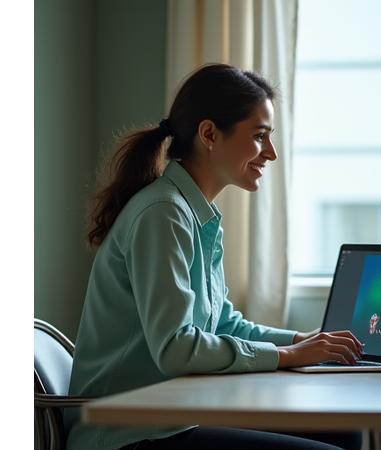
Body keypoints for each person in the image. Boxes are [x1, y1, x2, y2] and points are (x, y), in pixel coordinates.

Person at [68, 63, 363, 450]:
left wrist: (301, 339)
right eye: (260, 136)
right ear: (209, 134)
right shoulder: (164, 214)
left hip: (171, 422)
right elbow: (176, 347)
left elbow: (222, 322)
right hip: (128, 436)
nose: (271, 153)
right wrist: (286, 355)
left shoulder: (196, 216)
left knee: (345, 431)